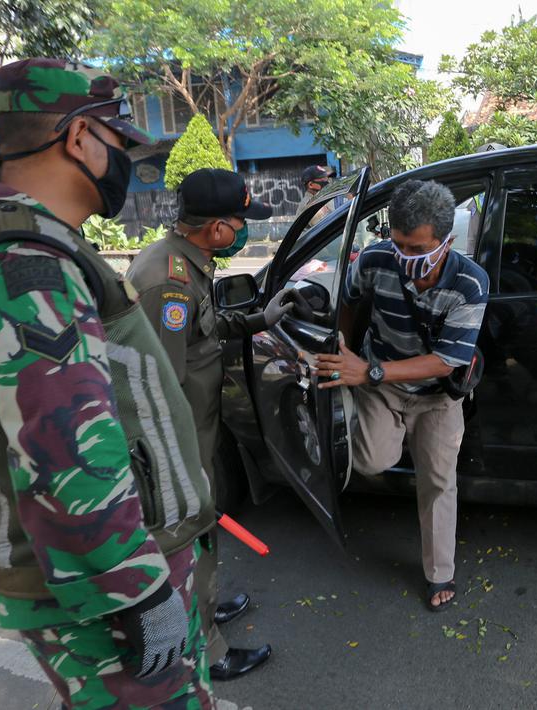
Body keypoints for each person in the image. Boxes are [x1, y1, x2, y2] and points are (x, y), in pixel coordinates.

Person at [0, 58, 215, 708]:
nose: (126, 161)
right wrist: (134, 592)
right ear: (79, 137)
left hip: (97, 575)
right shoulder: (24, 262)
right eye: (119, 143)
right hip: (99, 587)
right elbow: (66, 448)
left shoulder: (34, 245)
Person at [127, 168, 300, 681]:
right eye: (241, 222)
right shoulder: (168, 282)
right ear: (218, 229)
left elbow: (202, 334)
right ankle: (212, 650)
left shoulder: (185, 264)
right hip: (176, 443)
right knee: (191, 530)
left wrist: (258, 320)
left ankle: (206, 605)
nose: (244, 231)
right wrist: (182, 467)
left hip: (195, 432)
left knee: (203, 534)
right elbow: (162, 384)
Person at [317, 180, 489, 612]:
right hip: (382, 387)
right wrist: (346, 348)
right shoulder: (375, 258)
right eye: (398, 245)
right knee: (373, 460)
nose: (405, 258)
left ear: (445, 242)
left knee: (437, 481)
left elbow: (445, 362)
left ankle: (439, 573)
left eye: (416, 249)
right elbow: (349, 300)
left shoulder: (471, 284)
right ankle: (383, 432)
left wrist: (368, 371)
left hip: (435, 396)